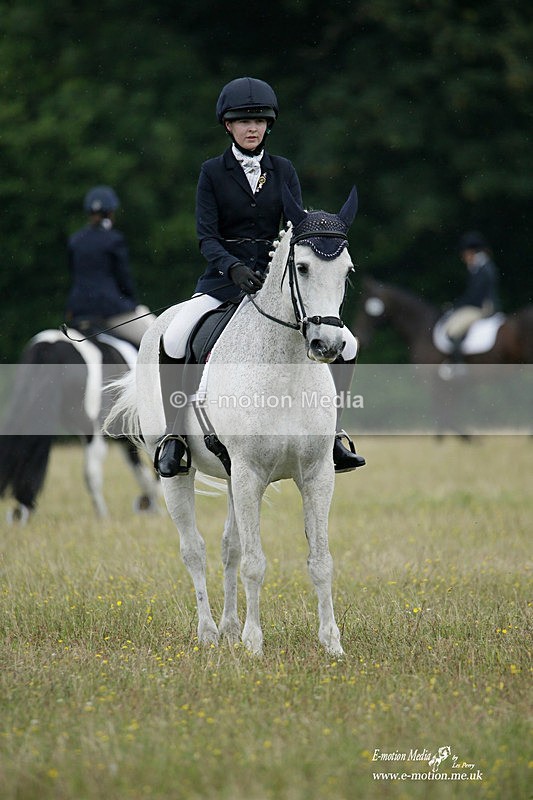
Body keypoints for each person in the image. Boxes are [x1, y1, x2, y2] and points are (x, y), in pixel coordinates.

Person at [155, 77, 365, 477]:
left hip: (274, 286)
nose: (252, 128)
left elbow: (296, 228)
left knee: (348, 344)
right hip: (222, 282)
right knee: (176, 336)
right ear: (228, 125)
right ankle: (175, 435)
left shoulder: (283, 170)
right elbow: (206, 237)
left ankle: (334, 434)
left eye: (259, 121)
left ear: (269, 125)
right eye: (243, 121)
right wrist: (232, 267)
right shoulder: (212, 172)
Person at [65, 185, 155, 347]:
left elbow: (74, 274)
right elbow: (123, 278)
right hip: (110, 309)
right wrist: (132, 302)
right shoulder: (114, 240)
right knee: (155, 340)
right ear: (110, 212)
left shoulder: (75, 240)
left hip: (79, 312)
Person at [443, 230, 500, 361]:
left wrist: (456, 306)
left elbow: (475, 296)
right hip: (481, 304)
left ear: (470, 252)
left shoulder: (481, 268)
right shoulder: (481, 266)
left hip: (483, 307)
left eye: (464, 254)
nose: (463, 258)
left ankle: (459, 365)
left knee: (453, 330)